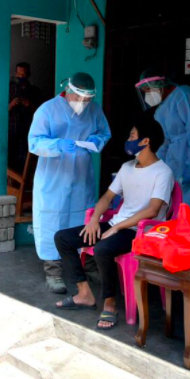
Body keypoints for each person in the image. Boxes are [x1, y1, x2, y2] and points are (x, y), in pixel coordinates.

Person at [54, 116, 172, 330]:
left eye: (132, 136)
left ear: (145, 141)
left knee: (102, 249)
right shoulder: (127, 167)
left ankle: (110, 303)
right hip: (117, 225)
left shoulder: (163, 172)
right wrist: (93, 221)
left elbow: (153, 210)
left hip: (140, 231)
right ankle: (84, 293)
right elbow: (107, 198)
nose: (128, 139)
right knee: (63, 238)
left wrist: (118, 226)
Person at [28, 72, 111, 294]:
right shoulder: (47, 110)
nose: (84, 104)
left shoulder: (94, 110)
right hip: (53, 176)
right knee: (51, 219)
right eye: (80, 98)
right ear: (69, 92)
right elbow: (34, 142)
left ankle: (89, 264)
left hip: (81, 175)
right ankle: (53, 271)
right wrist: (58, 145)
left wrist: (97, 140)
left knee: (83, 218)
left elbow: (104, 133)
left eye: (88, 100)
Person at [137, 69, 190, 205]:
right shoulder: (161, 110)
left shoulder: (185, 96)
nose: (147, 95)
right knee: (179, 207)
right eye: (144, 92)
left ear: (160, 84)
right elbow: (163, 143)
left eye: (148, 90)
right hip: (178, 165)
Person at [8, 62, 43, 171]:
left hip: (28, 129)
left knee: (26, 159)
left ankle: (23, 184)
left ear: (28, 74)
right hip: (12, 129)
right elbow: (0, 112)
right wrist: (12, 104)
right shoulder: (9, 89)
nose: (21, 77)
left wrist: (29, 104)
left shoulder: (35, 90)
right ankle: (12, 184)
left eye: (23, 75)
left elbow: (41, 113)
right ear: (15, 73)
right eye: (19, 74)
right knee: (10, 158)